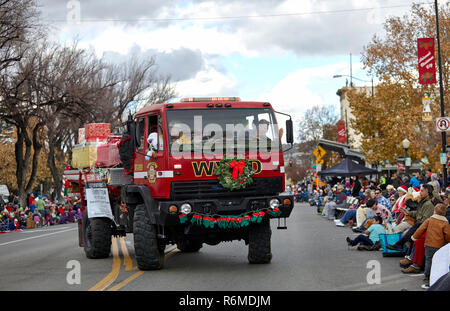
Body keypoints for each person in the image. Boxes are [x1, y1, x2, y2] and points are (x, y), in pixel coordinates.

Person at [408, 203, 450, 288]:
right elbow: (448, 235)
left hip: (429, 244)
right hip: (439, 246)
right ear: (444, 213)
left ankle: (427, 277)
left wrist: (414, 237)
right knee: (437, 262)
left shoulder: (429, 220)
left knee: (428, 261)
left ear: (434, 211)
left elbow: (420, 229)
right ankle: (435, 278)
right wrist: (447, 242)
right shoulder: (445, 223)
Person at [387, 184, 435, 252]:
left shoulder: (428, 204)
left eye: (422, 191)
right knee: (408, 232)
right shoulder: (424, 202)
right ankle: (408, 253)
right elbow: (419, 213)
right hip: (420, 225)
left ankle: (403, 249)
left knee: (412, 229)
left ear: (427, 192)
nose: (420, 193)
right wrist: (409, 213)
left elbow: (425, 220)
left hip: (424, 227)